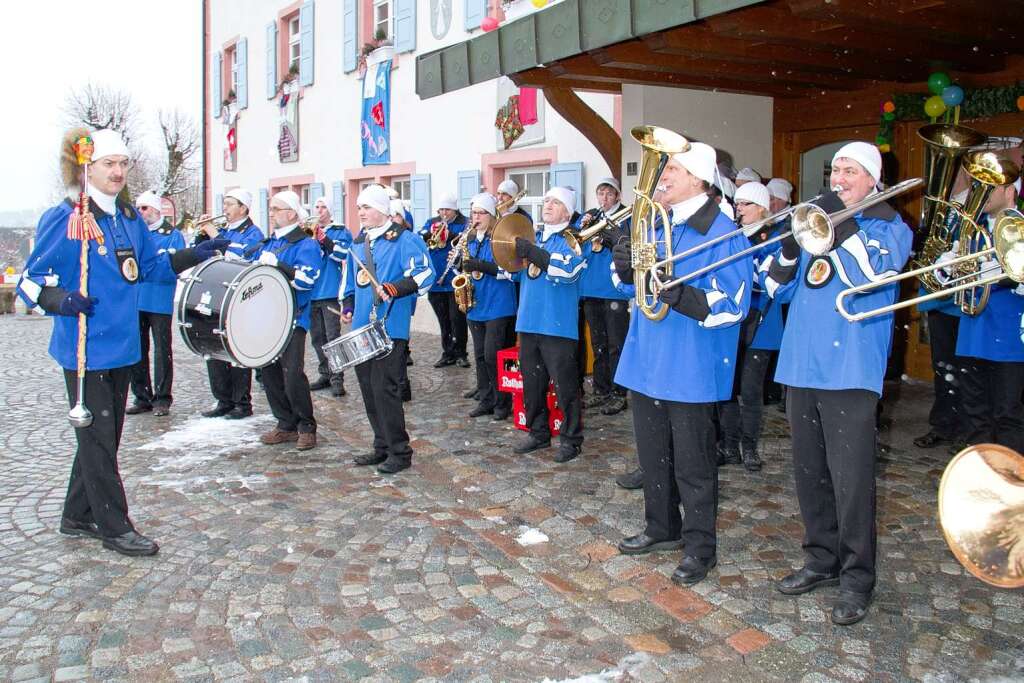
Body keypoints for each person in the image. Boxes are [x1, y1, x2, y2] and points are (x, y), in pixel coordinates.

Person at [17, 128, 230, 556]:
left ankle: (76, 515)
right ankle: (114, 527)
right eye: (107, 165)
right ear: (87, 168)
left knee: (103, 436)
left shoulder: (129, 217)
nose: (117, 172)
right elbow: (29, 282)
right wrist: (61, 299)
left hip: (123, 344)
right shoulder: (68, 216)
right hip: (85, 348)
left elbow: (151, 267)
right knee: (98, 437)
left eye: (122, 164)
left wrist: (199, 253)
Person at [761, 142, 912, 625]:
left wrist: (837, 224)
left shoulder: (891, 226)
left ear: (872, 179)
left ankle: (857, 576)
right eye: (836, 170)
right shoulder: (814, 228)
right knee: (810, 474)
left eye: (851, 171)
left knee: (851, 481)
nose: (840, 178)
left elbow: (872, 272)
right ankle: (821, 559)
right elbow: (773, 286)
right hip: (802, 365)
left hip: (849, 369)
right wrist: (790, 242)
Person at [613, 142, 752, 587]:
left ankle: (699, 548)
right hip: (647, 358)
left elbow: (735, 304)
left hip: (690, 363)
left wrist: (686, 298)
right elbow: (636, 289)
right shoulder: (657, 223)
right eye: (664, 168)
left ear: (698, 178)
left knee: (693, 466)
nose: (663, 176)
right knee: (654, 458)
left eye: (671, 167)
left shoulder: (724, 232)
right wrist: (623, 269)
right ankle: (661, 528)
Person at [342, 185, 434, 474]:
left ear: (382, 210)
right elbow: (349, 281)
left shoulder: (404, 239)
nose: (361, 213)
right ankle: (381, 445)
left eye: (366, 208)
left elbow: (425, 273)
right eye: (359, 208)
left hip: (389, 327)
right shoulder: (358, 243)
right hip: (361, 327)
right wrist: (347, 304)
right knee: (369, 389)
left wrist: (395, 288)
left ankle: (400, 451)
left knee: (386, 390)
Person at [228, 191, 322, 450]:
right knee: (269, 374)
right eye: (271, 208)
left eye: (277, 209)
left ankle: (306, 425)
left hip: (294, 317)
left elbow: (306, 281)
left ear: (292, 213)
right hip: (267, 319)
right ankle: (285, 424)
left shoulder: (306, 245)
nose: (271, 213)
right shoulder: (268, 243)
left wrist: (281, 265)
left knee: (292, 375)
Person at [511, 187, 587, 463]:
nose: (548, 205)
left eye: (555, 202)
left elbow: (566, 271)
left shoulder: (574, 238)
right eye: (545, 201)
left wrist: (532, 251)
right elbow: (511, 273)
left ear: (567, 210)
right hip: (529, 321)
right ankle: (538, 431)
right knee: (532, 382)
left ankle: (571, 438)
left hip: (558, 324)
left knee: (566, 386)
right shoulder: (535, 236)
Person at [952, 176, 1024, 454]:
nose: (980, 195)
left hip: (1010, 335)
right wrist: (946, 268)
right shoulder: (973, 229)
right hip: (973, 329)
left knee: (1007, 412)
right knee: (974, 411)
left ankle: (1011, 483)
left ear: (1009, 191)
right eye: (976, 188)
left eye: (988, 188)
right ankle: (981, 478)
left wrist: (1006, 275)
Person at [716, 182, 784, 472]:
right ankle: (729, 445)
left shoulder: (775, 238)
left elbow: (771, 281)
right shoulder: (731, 237)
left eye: (746, 205)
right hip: (734, 321)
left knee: (751, 389)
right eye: (738, 204)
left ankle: (750, 446)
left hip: (761, 320)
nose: (739, 209)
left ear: (762, 209)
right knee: (729, 388)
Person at [198, 188, 263, 419]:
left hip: (239, 299)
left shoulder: (253, 232)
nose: (224, 209)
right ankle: (223, 399)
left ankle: (242, 403)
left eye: (229, 204)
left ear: (243, 208)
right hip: (217, 293)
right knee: (214, 348)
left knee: (235, 351)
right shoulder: (224, 230)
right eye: (224, 204)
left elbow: (243, 256)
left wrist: (215, 235)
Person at [126, 190, 184, 417]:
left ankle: (162, 397)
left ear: (157, 210)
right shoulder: (134, 234)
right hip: (137, 299)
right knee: (137, 349)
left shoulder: (172, 235)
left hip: (159, 299)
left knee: (162, 350)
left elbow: (172, 266)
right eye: (138, 208)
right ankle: (142, 396)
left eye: (145, 208)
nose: (140, 212)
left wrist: (149, 268)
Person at [459, 193, 517, 420]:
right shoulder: (469, 240)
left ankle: (504, 401)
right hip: (476, 304)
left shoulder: (501, 240)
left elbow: (512, 272)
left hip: (500, 305)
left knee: (496, 355)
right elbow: (466, 270)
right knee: (481, 355)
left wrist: (483, 266)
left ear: (492, 215)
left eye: (481, 212)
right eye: (474, 212)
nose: (476, 217)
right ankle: (486, 399)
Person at [577, 177, 631, 417]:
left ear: (617, 196)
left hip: (614, 290)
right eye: (601, 193)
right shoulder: (591, 215)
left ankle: (619, 394)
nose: (604, 198)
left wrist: (609, 237)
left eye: (609, 194)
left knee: (615, 345)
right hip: (591, 288)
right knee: (598, 344)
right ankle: (601, 390)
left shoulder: (625, 217)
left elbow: (627, 246)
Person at [418, 193, 470, 369]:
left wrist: (451, 234)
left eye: (447, 209)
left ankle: (461, 353)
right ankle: (447, 352)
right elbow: (420, 237)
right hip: (436, 281)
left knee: (458, 319)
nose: (443, 213)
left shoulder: (465, 223)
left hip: (454, 279)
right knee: (444, 320)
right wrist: (429, 233)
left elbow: (467, 239)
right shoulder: (431, 222)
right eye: (441, 209)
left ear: (454, 209)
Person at [307, 197, 353, 397]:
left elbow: (343, 255)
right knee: (317, 339)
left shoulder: (340, 230)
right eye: (316, 207)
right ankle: (325, 373)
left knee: (333, 338)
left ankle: (337, 379)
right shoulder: (306, 232)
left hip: (330, 292)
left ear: (331, 210)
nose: (319, 210)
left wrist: (324, 239)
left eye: (323, 207)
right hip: (311, 292)